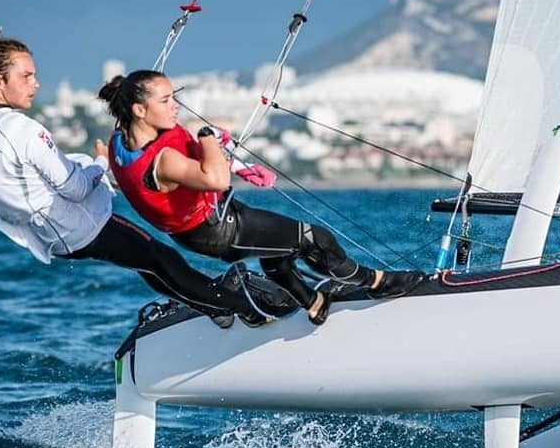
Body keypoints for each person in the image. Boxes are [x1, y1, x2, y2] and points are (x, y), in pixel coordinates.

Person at [0, 35, 289, 328]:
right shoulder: (20, 129)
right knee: (161, 260)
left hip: (51, 240)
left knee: (148, 263)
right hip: (80, 226)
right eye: (26, 76)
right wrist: (99, 163)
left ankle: (214, 307)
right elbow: (76, 188)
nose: (35, 83)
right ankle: (246, 310)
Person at [97, 69, 427, 325]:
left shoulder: (119, 141)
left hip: (206, 226)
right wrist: (209, 137)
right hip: (219, 232)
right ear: (139, 109)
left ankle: (313, 304)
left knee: (278, 246)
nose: (175, 106)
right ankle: (376, 282)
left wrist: (239, 166)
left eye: (175, 96)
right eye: (166, 100)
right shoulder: (161, 159)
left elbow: (194, 166)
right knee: (313, 238)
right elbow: (214, 177)